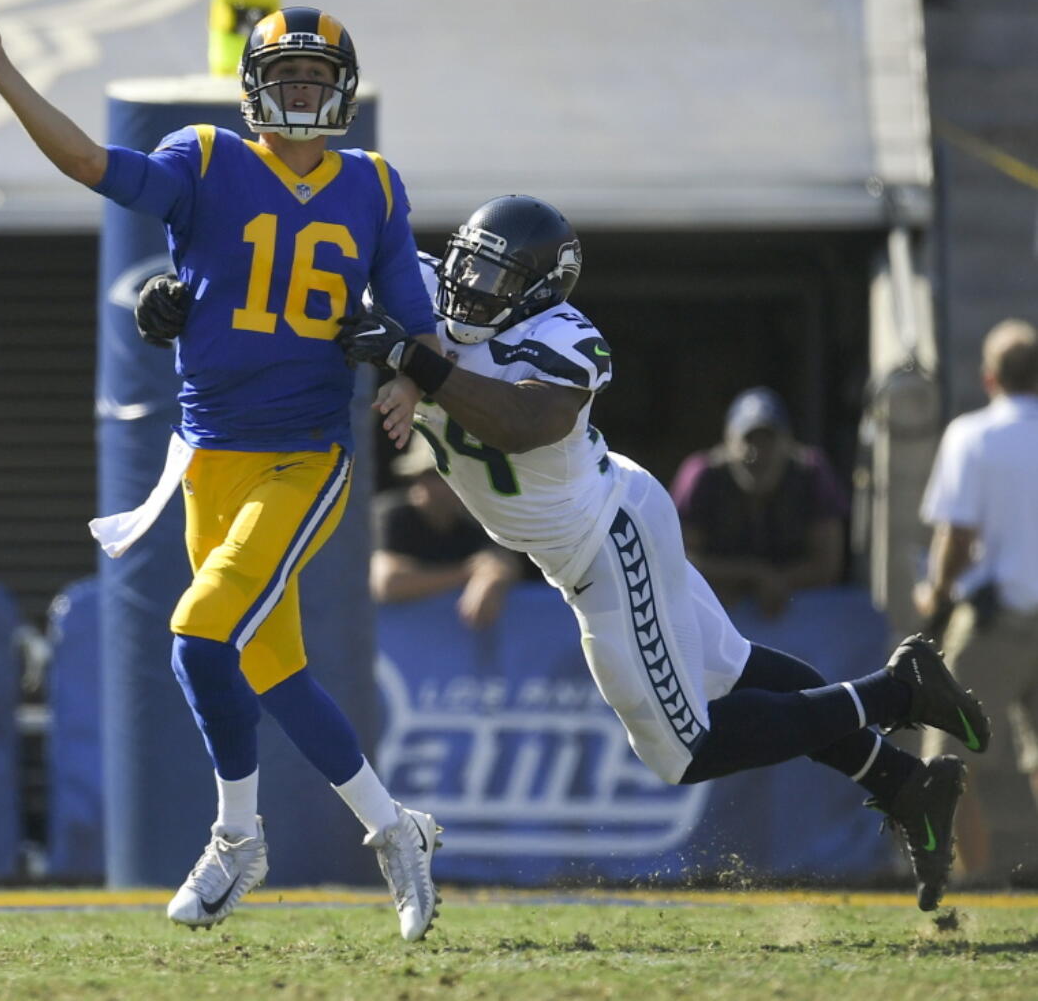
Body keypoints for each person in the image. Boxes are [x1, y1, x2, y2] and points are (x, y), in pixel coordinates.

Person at [0, 0, 441, 939]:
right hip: (210, 456)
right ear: (252, 90)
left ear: (342, 92)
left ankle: (236, 838)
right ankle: (394, 825)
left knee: (197, 633)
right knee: (272, 665)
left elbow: (415, 312)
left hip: (305, 455)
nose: (297, 92)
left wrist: (410, 371)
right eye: (283, 76)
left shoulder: (371, 182)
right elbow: (91, 164)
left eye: (314, 78)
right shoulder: (204, 158)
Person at [325, 193, 992, 912]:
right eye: (467, 264)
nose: (469, 287)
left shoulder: (564, 337)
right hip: (604, 517)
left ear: (541, 291)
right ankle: (902, 781)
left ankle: (902, 690)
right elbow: (329, 275)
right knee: (731, 670)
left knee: (682, 750)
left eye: (498, 277)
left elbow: (519, 423)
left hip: (606, 539)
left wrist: (411, 362)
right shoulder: (418, 288)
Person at [913, 318, 1038, 883]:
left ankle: (971, 881)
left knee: (947, 757)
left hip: (996, 621)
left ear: (989, 378)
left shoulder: (973, 435)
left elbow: (956, 539)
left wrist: (935, 595)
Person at [670, 387, 848, 618]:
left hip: (794, 611)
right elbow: (678, 562)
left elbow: (827, 565)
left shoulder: (811, 474)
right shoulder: (701, 476)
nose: (756, 453)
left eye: (768, 440)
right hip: (715, 612)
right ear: (728, 442)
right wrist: (752, 575)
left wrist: (780, 582)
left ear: (788, 444)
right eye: (748, 439)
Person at [373, 433, 524, 629]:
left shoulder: (468, 522)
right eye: (438, 474)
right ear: (418, 477)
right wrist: (468, 574)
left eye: (457, 475)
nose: (452, 484)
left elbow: (503, 561)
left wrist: (490, 577)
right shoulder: (393, 515)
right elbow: (388, 583)